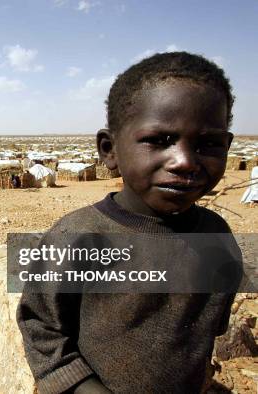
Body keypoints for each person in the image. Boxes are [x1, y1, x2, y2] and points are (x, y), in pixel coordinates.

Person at [17, 52, 239, 393]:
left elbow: (204, 334)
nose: (184, 162)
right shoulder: (78, 237)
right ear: (110, 150)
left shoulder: (217, 236)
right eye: (160, 140)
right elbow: (41, 326)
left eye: (209, 144)